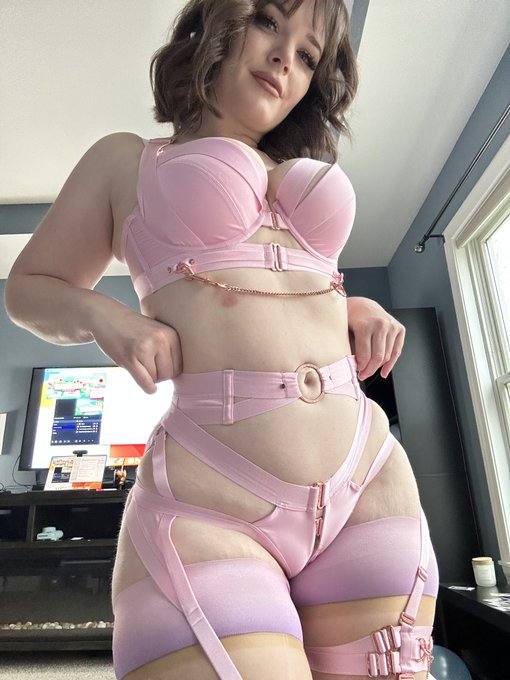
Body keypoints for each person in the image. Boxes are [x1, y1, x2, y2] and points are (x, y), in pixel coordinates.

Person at [4, 1, 439, 678]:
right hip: (214, 502)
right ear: (215, 24)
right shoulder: (128, 160)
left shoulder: (292, 172)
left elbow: (292, 288)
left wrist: (354, 305)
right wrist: (107, 318)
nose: (285, 59)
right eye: (268, 22)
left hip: (368, 481)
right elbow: (27, 289)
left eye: (308, 55)